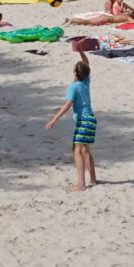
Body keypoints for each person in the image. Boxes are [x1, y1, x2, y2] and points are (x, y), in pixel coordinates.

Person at [45, 56, 98, 190]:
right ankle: (93, 180)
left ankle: (81, 184)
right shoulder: (85, 82)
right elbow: (86, 63)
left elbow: (68, 104)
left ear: (75, 72)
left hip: (83, 121)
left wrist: (54, 118)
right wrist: (80, 51)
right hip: (91, 119)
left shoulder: (74, 87)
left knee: (76, 150)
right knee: (85, 150)